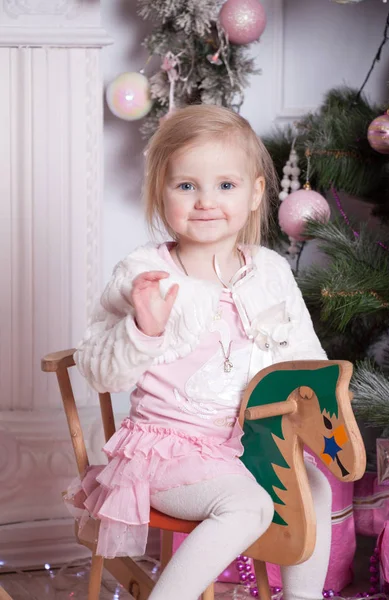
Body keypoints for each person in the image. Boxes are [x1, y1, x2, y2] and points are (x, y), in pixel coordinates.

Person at [73, 105, 332, 600]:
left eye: (226, 186)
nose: (206, 202)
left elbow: (306, 358)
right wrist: (141, 330)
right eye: (187, 185)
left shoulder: (270, 269)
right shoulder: (145, 273)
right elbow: (99, 371)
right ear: (160, 192)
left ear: (257, 192)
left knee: (313, 488)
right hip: (168, 449)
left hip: (249, 442)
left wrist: (312, 406)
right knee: (247, 506)